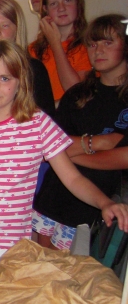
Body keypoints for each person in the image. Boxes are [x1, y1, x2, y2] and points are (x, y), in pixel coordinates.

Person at [0, 40, 128, 304]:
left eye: (4, 78)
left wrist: (104, 202)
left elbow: (72, 178)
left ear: (20, 82)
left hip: (9, 246)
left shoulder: (38, 124)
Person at [33, 14, 128, 250]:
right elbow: (49, 146)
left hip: (94, 207)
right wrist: (98, 143)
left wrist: (68, 153)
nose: (98, 50)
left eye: (108, 42)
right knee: (40, 266)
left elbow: (122, 158)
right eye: (92, 44)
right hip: (54, 196)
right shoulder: (77, 94)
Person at [29, 0, 91, 101]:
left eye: (67, 0)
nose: (61, 8)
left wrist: (55, 44)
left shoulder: (90, 46)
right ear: (45, 9)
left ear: (78, 3)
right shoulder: (33, 49)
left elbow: (74, 92)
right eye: (54, 4)